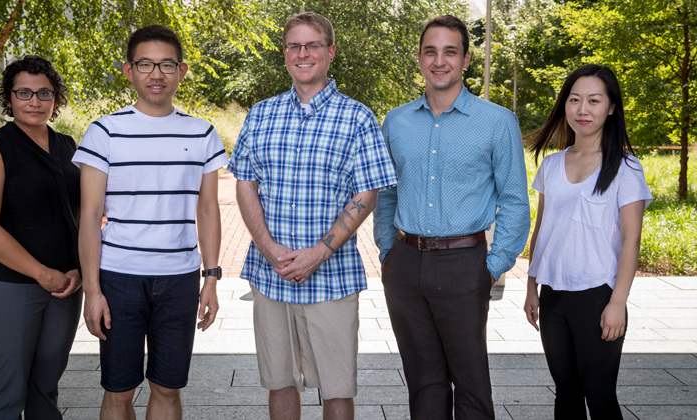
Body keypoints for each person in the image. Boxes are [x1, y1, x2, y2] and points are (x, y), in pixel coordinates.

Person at [228, 11, 398, 420]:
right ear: (285, 53)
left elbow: (368, 192)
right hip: (270, 275)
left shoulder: (357, 118)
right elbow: (244, 182)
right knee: (279, 382)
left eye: (313, 45)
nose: (303, 53)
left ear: (330, 51)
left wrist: (319, 252)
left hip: (331, 278)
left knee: (337, 389)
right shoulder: (261, 113)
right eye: (294, 46)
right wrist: (268, 248)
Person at [373, 14, 530, 420]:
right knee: (423, 380)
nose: (439, 60)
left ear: (465, 60)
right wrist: (388, 252)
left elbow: (514, 201)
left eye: (449, 51)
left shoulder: (497, 122)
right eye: (430, 51)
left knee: (471, 382)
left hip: (465, 264)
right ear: (420, 59)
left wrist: (492, 267)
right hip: (405, 263)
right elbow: (388, 192)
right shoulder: (396, 121)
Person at [73, 25, 226, 419]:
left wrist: (210, 279)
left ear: (182, 71)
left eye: (166, 65)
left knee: (168, 388)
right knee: (119, 391)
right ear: (129, 70)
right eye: (145, 64)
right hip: (119, 278)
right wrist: (92, 290)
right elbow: (89, 215)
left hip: (179, 279)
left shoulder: (203, 132)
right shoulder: (103, 131)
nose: (156, 74)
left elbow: (207, 210)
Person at [523, 64, 652, 419]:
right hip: (554, 298)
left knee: (599, 396)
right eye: (575, 99)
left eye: (594, 101)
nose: (583, 109)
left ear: (611, 108)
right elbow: (542, 229)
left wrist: (617, 302)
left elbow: (631, 241)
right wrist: (532, 287)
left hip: (599, 296)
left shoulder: (627, 168)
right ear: (565, 105)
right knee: (565, 393)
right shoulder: (551, 165)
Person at [0, 55, 82, 419]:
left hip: (66, 285)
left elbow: (80, 214)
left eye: (44, 93)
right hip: (10, 288)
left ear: (55, 98)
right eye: (24, 93)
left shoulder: (68, 145)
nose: (35, 101)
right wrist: (40, 272)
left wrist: (78, 270)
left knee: (45, 387)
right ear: (9, 98)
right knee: (9, 388)